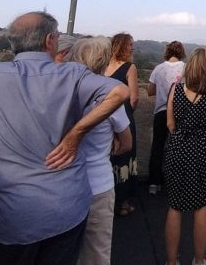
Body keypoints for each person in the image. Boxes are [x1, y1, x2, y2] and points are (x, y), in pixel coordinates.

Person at [0, 12, 128, 264]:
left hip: (16, 216)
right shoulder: (72, 75)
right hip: (67, 208)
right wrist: (75, 134)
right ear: (50, 40)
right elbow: (119, 92)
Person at [68, 37, 133, 265]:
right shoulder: (107, 93)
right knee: (97, 253)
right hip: (98, 183)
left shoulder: (61, 93)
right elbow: (127, 143)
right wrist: (110, 148)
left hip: (64, 183)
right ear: (104, 61)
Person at [164, 48, 206, 265]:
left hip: (178, 148)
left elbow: (170, 123)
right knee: (200, 206)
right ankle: (199, 260)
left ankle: (171, 261)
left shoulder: (176, 90)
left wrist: (181, 136)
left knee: (175, 205)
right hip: (205, 149)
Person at [105, 32, 139, 217]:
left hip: (103, 117)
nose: (133, 47)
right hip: (123, 116)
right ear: (122, 46)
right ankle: (124, 202)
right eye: (130, 44)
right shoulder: (130, 67)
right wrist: (127, 116)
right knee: (126, 157)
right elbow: (134, 98)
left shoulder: (103, 66)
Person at [148, 41, 187, 195]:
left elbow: (150, 91)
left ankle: (154, 183)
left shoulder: (159, 68)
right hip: (180, 112)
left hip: (161, 111)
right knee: (179, 147)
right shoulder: (185, 68)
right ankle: (178, 182)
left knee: (157, 146)